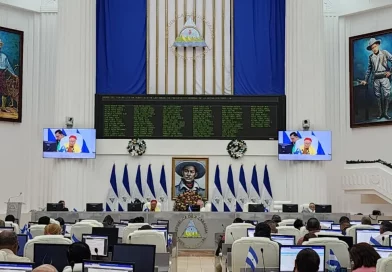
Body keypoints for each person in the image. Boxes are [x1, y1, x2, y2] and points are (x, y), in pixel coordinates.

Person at [359, 38, 392, 120]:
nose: (374, 49)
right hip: (375, 78)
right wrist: (366, 80)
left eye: (375, 46)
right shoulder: (371, 57)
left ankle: (386, 113)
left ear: (377, 45)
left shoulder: (384, 53)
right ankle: (381, 113)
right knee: (378, 96)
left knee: (387, 94)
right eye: (372, 48)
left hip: (385, 77)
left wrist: (390, 72)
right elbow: (369, 69)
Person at [0, 39, 19, 113]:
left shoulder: (4, 56)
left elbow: (8, 66)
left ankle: (3, 107)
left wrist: (14, 74)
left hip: (2, 75)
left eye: (0, 45)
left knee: (4, 92)